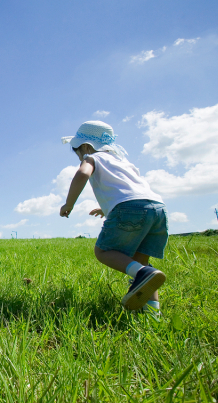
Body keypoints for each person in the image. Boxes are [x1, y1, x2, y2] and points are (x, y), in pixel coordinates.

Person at [60, 121, 167, 313]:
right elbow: (129, 190)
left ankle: (144, 273)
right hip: (157, 208)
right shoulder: (124, 162)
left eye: (77, 151)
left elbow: (82, 174)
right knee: (140, 262)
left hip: (129, 208)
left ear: (85, 146)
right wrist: (106, 207)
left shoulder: (92, 158)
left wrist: (69, 204)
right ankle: (152, 315)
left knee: (104, 252)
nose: (78, 155)